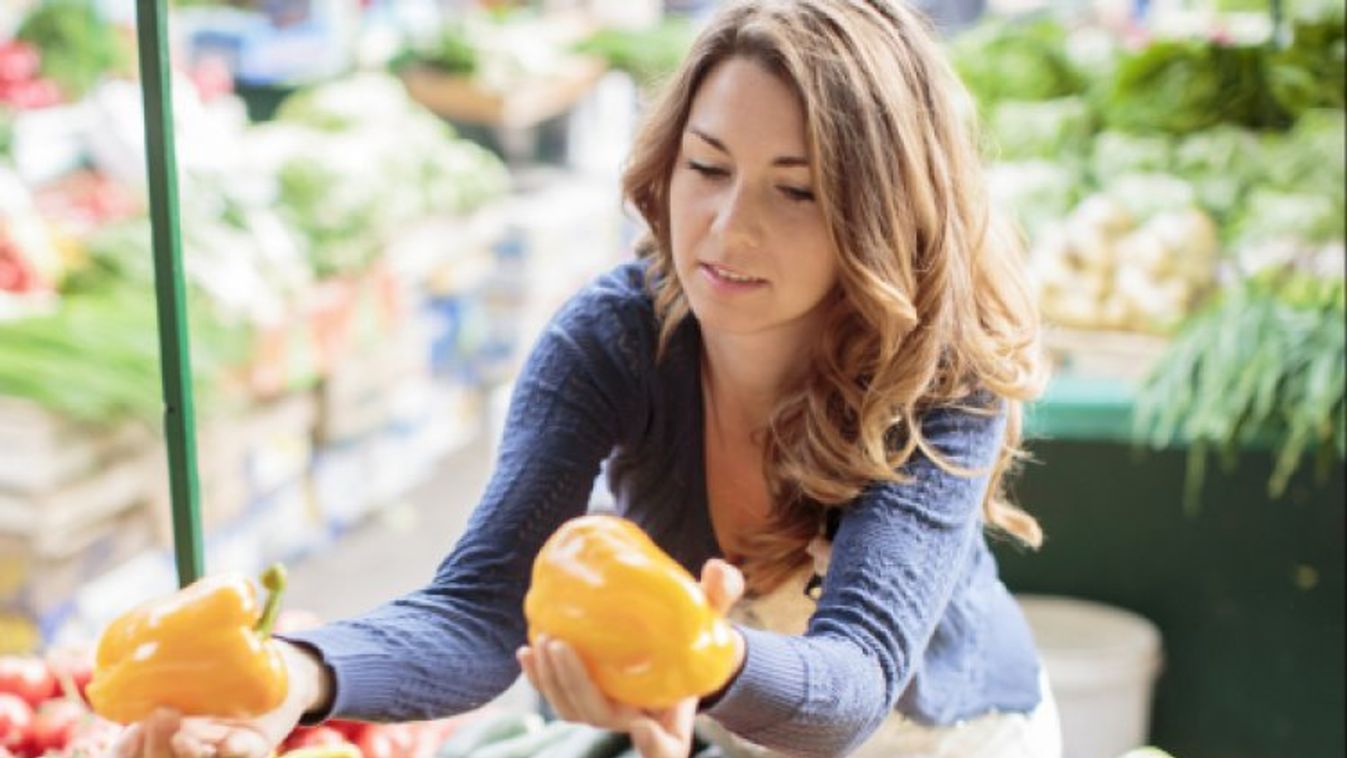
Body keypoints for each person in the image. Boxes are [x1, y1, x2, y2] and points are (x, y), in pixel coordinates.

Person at [111, 1, 1061, 756]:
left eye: (796, 190)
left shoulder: (940, 378)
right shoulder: (614, 340)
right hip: (742, 735)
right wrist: (292, 676)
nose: (728, 229)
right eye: (707, 167)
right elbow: (481, 611)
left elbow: (852, 688)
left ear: (881, 211)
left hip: (955, 737)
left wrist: (694, 654)